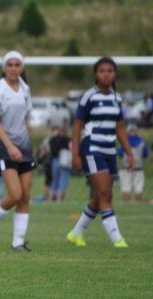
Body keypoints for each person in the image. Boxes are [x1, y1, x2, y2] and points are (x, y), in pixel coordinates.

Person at [67, 57, 134, 248]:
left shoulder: (116, 98)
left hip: (109, 151)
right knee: (105, 194)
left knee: (100, 197)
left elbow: (120, 128)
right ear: (96, 74)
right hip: (92, 149)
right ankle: (117, 239)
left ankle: (76, 233)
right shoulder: (89, 96)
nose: (106, 74)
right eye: (102, 71)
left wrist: (129, 153)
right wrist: (75, 154)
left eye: (110, 71)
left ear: (115, 74)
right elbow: (77, 125)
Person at [0, 51, 34, 252]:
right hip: (5, 146)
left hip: (24, 147)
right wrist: (10, 146)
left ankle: (17, 243)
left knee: (26, 195)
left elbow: (25, 118)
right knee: (15, 193)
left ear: (22, 67)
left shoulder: (25, 88)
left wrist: (27, 143)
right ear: (4, 67)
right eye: (10, 64)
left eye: (17, 64)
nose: (13, 68)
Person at [117, 124, 147, 203]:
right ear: (136, 131)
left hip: (126, 167)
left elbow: (119, 153)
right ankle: (138, 202)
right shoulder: (141, 141)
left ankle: (126, 202)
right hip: (139, 167)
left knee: (126, 186)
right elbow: (145, 154)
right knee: (138, 186)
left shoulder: (124, 141)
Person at [49, 127, 72, 202]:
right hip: (64, 161)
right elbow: (72, 147)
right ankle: (59, 200)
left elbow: (48, 149)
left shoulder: (53, 139)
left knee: (54, 180)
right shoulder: (67, 139)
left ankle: (49, 199)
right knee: (63, 180)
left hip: (55, 160)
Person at [37, 128, 59, 202]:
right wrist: (40, 161)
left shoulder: (49, 139)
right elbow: (43, 151)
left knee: (52, 181)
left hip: (50, 162)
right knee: (49, 182)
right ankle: (47, 199)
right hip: (49, 163)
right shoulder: (49, 140)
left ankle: (50, 198)